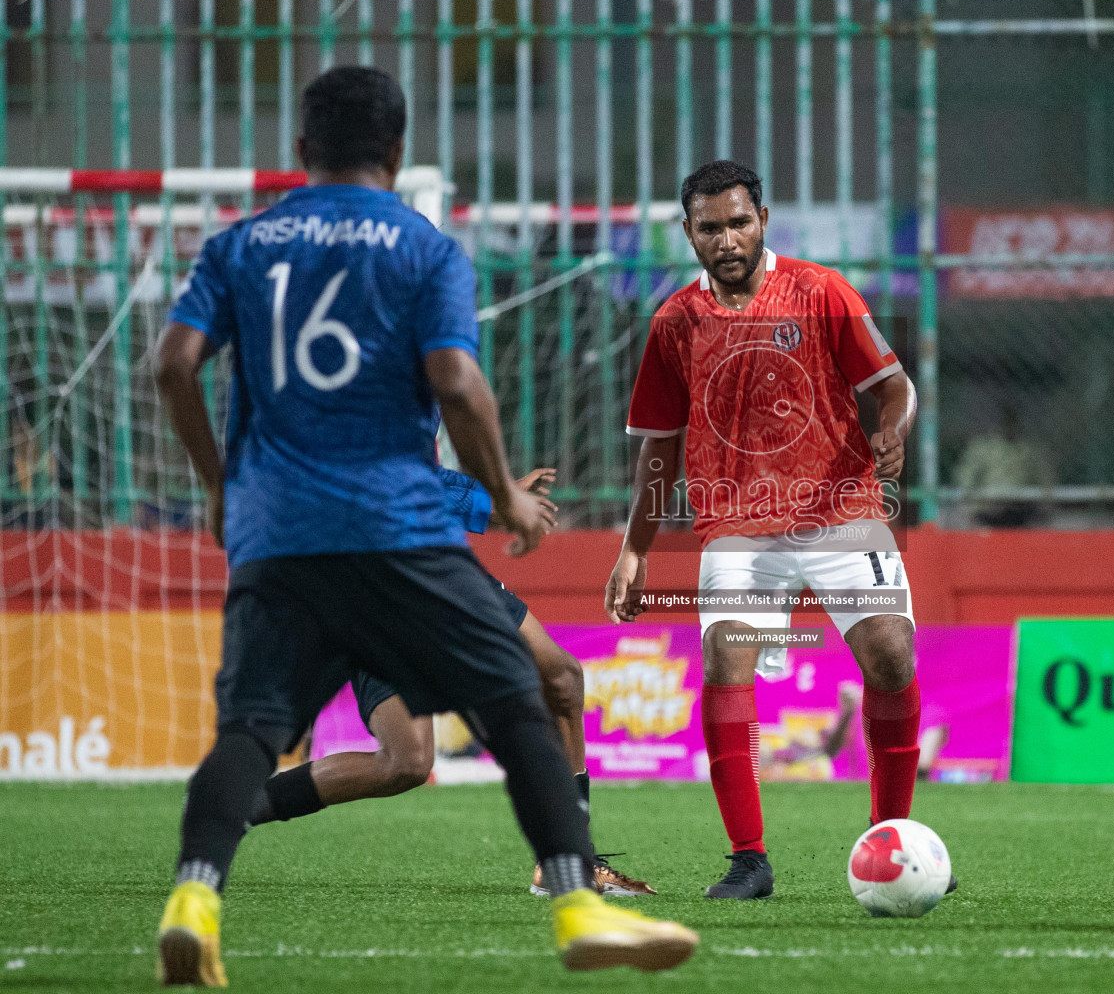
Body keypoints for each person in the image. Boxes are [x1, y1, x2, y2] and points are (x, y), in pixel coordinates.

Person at [151, 65, 694, 985]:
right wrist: (506, 496)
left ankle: (194, 903)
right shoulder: (423, 249)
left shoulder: (240, 244)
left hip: (278, 533)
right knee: (519, 699)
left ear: (300, 152)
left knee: (249, 728)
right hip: (396, 533)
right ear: (398, 153)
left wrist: (219, 485)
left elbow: (173, 364)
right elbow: (456, 381)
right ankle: (574, 900)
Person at [605, 159, 926, 901]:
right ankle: (749, 859)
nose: (726, 239)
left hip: (840, 507)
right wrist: (635, 550)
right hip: (737, 522)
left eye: (738, 222)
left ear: (764, 220)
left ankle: (889, 839)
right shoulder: (675, 323)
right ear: (688, 233)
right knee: (726, 658)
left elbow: (894, 385)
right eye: (709, 227)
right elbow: (660, 442)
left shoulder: (821, 291)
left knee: (891, 653)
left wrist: (891, 430)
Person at [246, 464, 656, 897]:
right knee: (406, 764)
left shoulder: (417, 404)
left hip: (437, 565)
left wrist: (493, 495)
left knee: (561, 678)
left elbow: (415, 469)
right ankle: (237, 807)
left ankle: (569, 860)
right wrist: (496, 500)